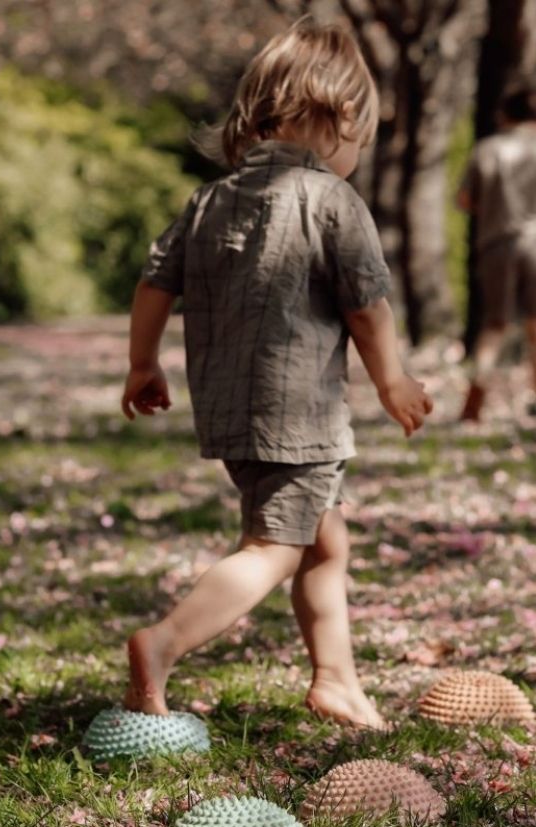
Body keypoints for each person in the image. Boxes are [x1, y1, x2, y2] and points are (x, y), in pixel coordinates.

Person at [119, 18, 432, 730]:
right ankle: (164, 643)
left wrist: (143, 364)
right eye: (360, 138)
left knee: (325, 539)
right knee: (273, 548)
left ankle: (337, 680)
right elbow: (367, 308)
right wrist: (392, 381)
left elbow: (154, 284)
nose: (357, 154)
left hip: (228, 410)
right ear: (340, 116)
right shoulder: (332, 201)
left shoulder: (207, 200)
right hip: (299, 417)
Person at [457, 85, 536, 422]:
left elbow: (465, 200)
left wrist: (493, 210)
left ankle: (475, 398)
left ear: (504, 116)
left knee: (496, 324)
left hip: (496, 244)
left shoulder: (486, 151)